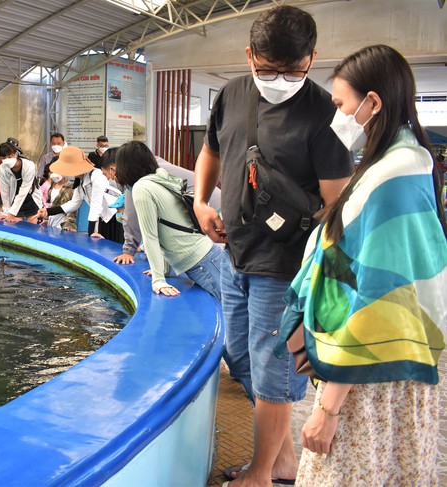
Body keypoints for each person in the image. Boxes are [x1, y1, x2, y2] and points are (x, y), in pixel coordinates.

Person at [192, 6, 353, 486]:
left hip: (284, 265)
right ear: (249, 55)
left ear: (312, 58)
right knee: (241, 355)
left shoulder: (327, 114)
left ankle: (261, 474)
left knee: (272, 368)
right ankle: (281, 460)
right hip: (233, 251)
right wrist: (202, 203)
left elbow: (337, 206)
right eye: (267, 69)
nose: (279, 79)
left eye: (293, 70)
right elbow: (211, 151)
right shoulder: (233, 93)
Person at [276, 44, 447, 486]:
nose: (337, 115)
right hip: (375, 365)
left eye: (341, 104)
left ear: (372, 102)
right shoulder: (398, 163)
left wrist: (329, 408)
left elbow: (379, 297)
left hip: (370, 374)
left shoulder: (395, 175)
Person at [116, 141, 223, 299]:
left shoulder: (141, 188)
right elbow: (164, 230)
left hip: (201, 263)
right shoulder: (158, 179)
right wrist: (164, 270)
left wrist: (158, 280)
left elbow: (151, 236)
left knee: (239, 310)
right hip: (207, 257)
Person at [113, 156, 219, 265]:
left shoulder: (140, 181)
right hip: (211, 206)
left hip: (209, 211)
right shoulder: (156, 168)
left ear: (115, 169)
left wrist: (129, 251)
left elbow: (133, 217)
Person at [35, 146, 108, 238]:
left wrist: (91, 232)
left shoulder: (96, 176)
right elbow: (74, 204)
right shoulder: (80, 180)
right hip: (101, 217)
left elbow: (96, 205)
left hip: (111, 217)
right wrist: (48, 211)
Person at [0, 141, 43, 222]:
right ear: (0, 158)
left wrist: (11, 213)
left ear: (16, 154)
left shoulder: (29, 165)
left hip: (30, 198)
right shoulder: (2, 169)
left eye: (10, 157)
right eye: (4, 158)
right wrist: (7, 212)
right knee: (14, 226)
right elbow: (4, 192)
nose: (7, 160)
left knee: (32, 227)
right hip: (14, 199)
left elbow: (24, 190)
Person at [96, 148, 124, 243]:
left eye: (105, 174)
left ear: (112, 169)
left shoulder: (132, 183)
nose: (107, 178)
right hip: (109, 217)